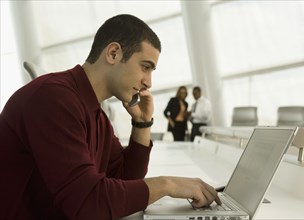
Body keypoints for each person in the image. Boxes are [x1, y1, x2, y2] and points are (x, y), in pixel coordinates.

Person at [0, 14, 220, 220]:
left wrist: (142, 123)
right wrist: (167, 185)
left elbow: (125, 179)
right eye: (145, 67)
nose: (148, 82)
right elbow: (87, 203)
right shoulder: (54, 98)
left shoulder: (96, 114)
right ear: (113, 53)